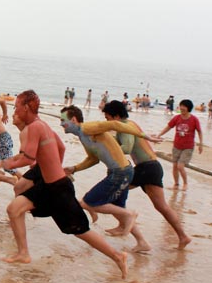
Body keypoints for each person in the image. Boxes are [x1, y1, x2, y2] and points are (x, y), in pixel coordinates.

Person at [0, 91, 128, 278]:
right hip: (49, 185)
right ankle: (23, 253)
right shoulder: (43, 124)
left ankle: (117, 256)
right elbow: (60, 147)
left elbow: (28, 158)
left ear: (26, 107)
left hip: (59, 189)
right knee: (14, 209)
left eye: (16, 106)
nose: (15, 109)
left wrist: (7, 163)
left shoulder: (34, 128)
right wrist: (51, 167)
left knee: (80, 230)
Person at [60, 105, 159, 252]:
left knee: (88, 202)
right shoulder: (83, 136)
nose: (61, 124)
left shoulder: (87, 128)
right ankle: (142, 242)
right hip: (120, 171)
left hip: (121, 172)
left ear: (73, 119)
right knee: (117, 209)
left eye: (63, 120)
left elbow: (114, 124)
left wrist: (144, 136)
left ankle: (130, 214)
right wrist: (75, 168)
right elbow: (93, 159)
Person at [102, 101, 192, 249]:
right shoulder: (128, 124)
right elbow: (118, 142)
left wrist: (107, 149)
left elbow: (126, 147)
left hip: (146, 168)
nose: (106, 121)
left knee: (110, 192)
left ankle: (124, 225)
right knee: (161, 206)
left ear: (116, 116)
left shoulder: (125, 127)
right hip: (152, 167)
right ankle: (183, 236)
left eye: (107, 118)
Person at [156, 99, 203, 190]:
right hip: (177, 146)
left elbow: (199, 132)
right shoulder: (177, 118)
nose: (181, 108)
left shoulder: (194, 119)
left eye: (184, 106)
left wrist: (200, 144)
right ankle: (176, 184)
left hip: (188, 147)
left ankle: (185, 183)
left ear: (188, 108)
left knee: (180, 166)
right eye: (181, 106)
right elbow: (168, 127)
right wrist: (159, 135)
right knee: (174, 166)